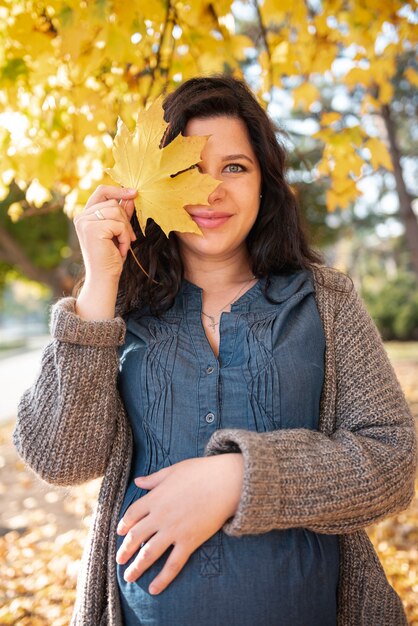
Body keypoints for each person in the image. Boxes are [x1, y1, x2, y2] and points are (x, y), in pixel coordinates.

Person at [14, 76, 416, 626]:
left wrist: (239, 479)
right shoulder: (118, 312)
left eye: (234, 167)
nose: (210, 192)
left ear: (265, 183)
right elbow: (60, 460)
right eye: (187, 172)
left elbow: (393, 463)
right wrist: (99, 287)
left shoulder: (324, 302)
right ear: (153, 185)